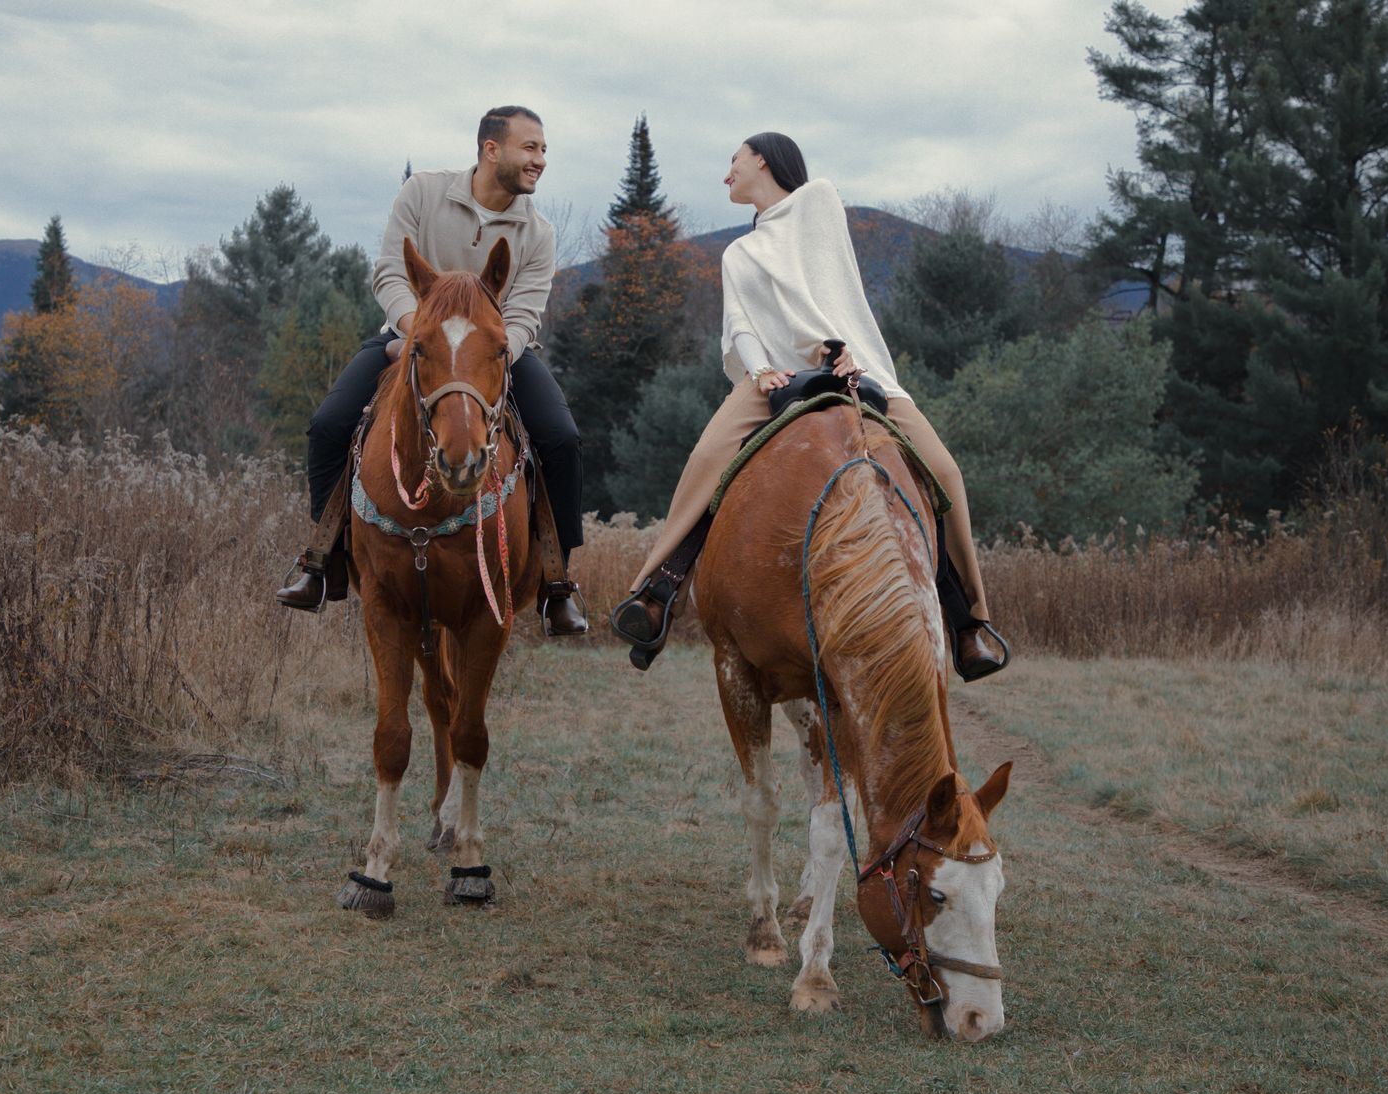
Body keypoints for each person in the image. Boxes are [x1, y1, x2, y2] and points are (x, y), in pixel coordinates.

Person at [609, 132, 1007, 676]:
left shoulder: (818, 200)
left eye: (733, 161)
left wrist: (837, 347)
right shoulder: (738, 251)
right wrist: (760, 370)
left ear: (762, 159)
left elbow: (831, 290)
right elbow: (741, 326)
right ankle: (655, 593)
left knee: (945, 472)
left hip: (851, 364)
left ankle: (970, 624)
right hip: (773, 374)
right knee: (707, 461)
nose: (726, 173)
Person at [275, 105, 589, 635]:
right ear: (492, 150)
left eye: (543, 151)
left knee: (561, 439)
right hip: (408, 341)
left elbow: (525, 314)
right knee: (330, 425)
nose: (539, 160)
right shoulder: (421, 193)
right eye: (529, 148)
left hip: (495, 353)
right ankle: (322, 559)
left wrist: (492, 354)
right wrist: (413, 332)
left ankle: (557, 584)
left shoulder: (538, 233)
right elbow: (389, 272)